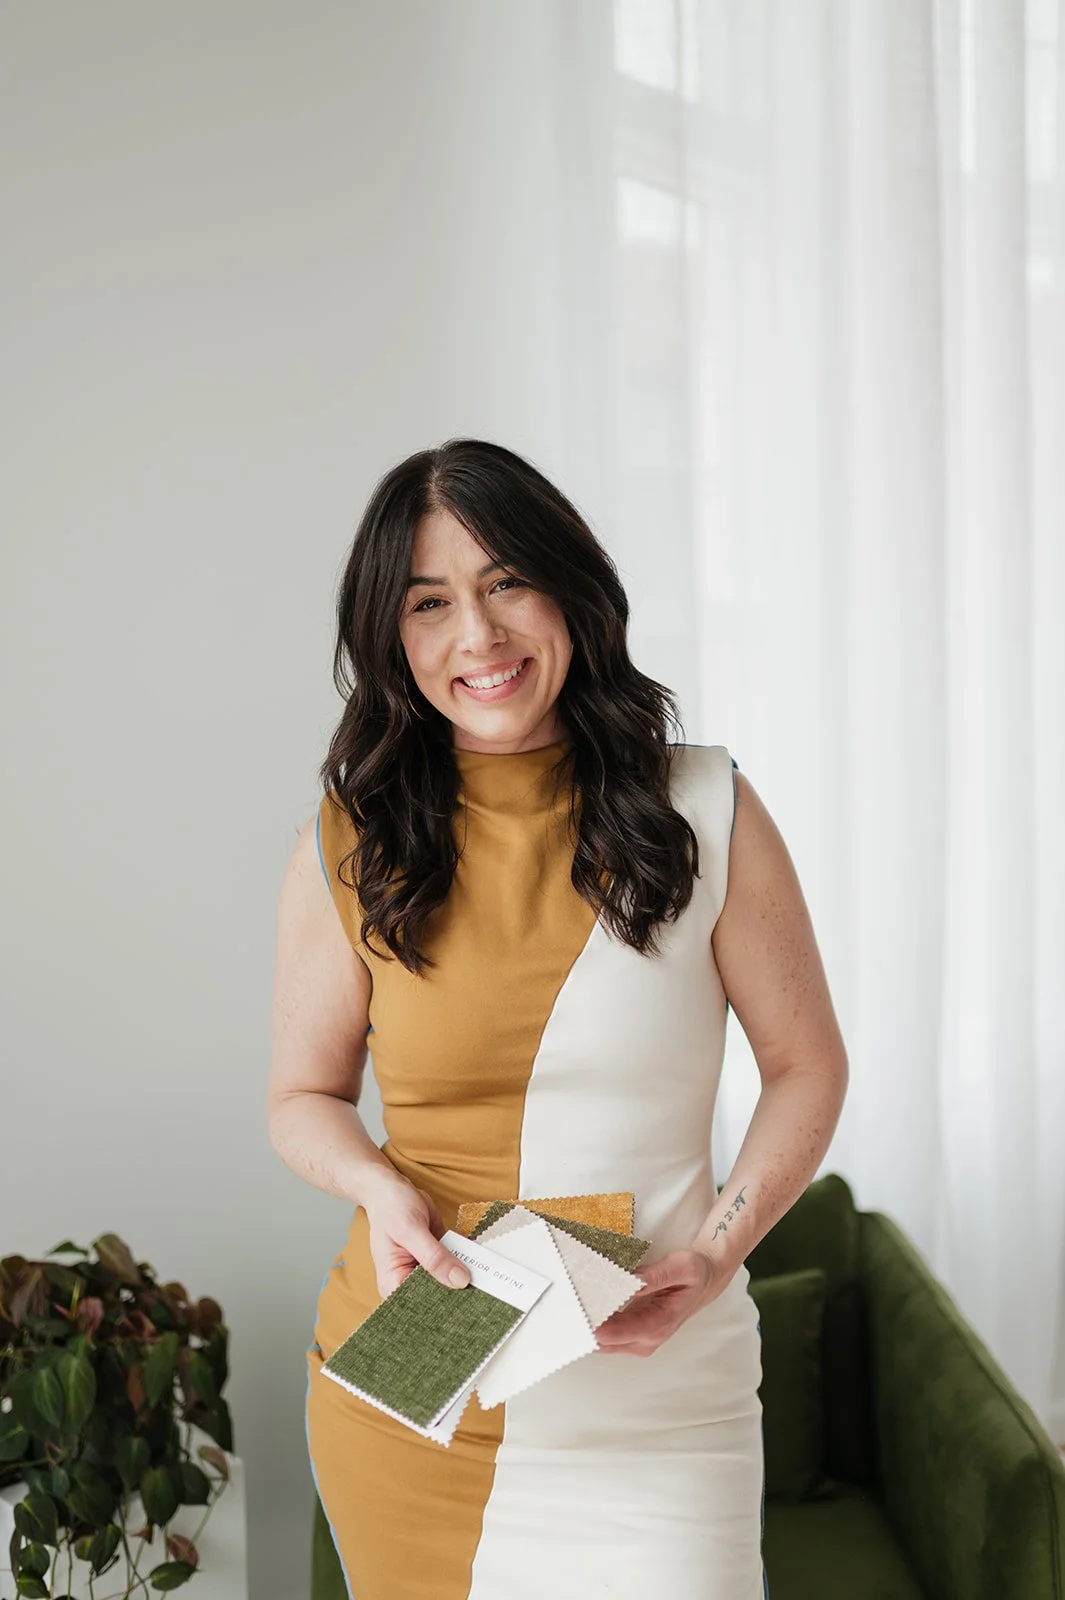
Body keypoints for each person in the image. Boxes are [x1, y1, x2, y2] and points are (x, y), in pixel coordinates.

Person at [267, 437, 849, 1600]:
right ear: (392, 636)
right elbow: (301, 1097)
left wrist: (715, 1252)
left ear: (570, 591)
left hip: (658, 1406)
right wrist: (378, 1186)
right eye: (430, 603)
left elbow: (807, 1068)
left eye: (507, 583)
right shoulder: (355, 838)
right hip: (422, 1395)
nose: (478, 636)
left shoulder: (704, 807)